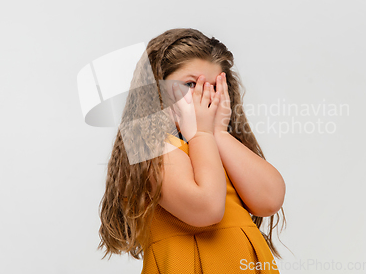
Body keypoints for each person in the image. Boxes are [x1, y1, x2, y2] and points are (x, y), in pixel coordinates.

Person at [97, 28, 287, 273]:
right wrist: (202, 134)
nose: (203, 97)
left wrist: (217, 134)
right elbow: (207, 208)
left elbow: (269, 200)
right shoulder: (150, 148)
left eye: (214, 88)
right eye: (190, 84)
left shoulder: (217, 143)